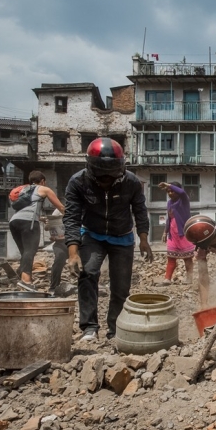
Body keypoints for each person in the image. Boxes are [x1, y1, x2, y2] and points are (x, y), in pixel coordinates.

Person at [63, 137, 152, 342]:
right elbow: (72, 217)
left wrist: (144, 239)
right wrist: (73, 252)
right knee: (88, 274)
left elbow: (140, 210)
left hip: (122, 237)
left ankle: (115, 328)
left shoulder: (131, 182)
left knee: (121, 286)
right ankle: (89, 327)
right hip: (93, 234)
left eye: (111, 176)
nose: (106, 181)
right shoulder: (78, 182)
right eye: (102, 176)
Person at [9, 171, 65, 292]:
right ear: (43, 181)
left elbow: (25, 210)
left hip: (14, 222)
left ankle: (22, 276)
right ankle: (26, 281)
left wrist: (40, 218)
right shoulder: (44, 189)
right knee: (30, 250)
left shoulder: (25, 190)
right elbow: (60, 208)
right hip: (29, 222)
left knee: (24, 251)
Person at [159, 181, 195, 284]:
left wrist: (168, 185)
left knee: (187, 258)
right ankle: (167, 279)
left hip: (183, 233)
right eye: (168, 191)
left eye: (173, 191)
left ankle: (189, 279)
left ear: (177, 191)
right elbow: (169, 218)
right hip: (172, 234)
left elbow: (183, 193)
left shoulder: (183, 200)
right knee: (171, 257)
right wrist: (165, 232)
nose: (170, 193)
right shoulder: (169, 203)